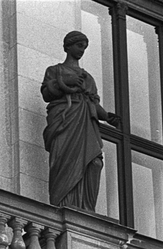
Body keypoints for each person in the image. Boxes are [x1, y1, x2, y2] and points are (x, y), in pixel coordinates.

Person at [41, 31, 118, 211]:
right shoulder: (55, 70)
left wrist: (107, 116)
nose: (82, 50)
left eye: (84, 47)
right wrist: (66, 81)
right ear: (68, 46)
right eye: (79, 46)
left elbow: (93, 103)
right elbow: (46, 94)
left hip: (85, 123)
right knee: (65, 162)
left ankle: (86, 208)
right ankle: (65, 204)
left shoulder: (88, 78)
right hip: (65, 121)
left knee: (94, 163)